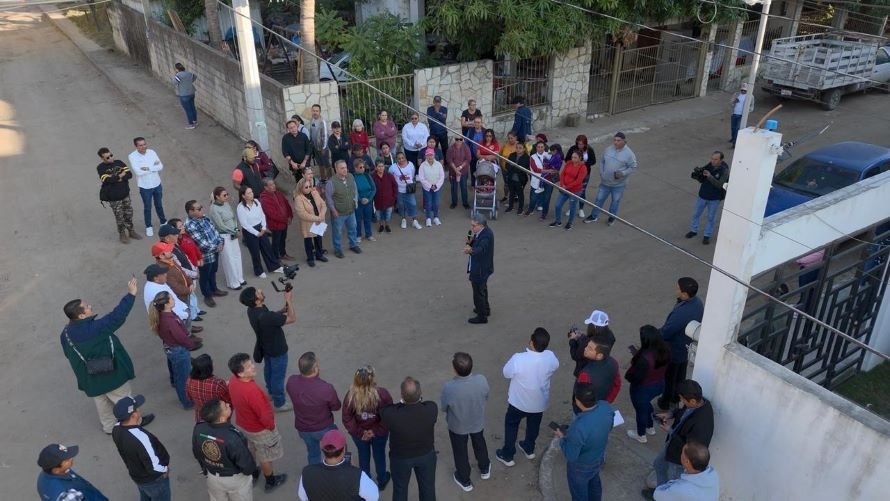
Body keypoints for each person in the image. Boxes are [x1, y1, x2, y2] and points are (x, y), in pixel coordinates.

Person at [61, 278, 155, 434]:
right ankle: (134, 422)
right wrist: (131, 295)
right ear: (81, 316)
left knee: (102, 403)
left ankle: (109, 427)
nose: (90, 306)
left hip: (89, 377)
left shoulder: (65, 334)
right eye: (86, 307)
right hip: (111, 375)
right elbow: (117, 316)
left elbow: (67, 354)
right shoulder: (96, 328)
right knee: (123, 399)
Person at [496, 328, 559, 467]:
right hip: (538, 402)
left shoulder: (518, 358)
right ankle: (529, 448)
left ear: (531, 342)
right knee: (533, 426)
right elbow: (555, 366)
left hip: (518, 402)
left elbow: (506, 373)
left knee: (511, 425)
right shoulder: (550, 357)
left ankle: (508, 454)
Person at [226, 353, 288, 493]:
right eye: (248, 366)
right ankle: (270, 481)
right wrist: (271, 427)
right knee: (265, 456)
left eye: (251, 363)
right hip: (259, 429)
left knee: (251, 450)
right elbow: (264, 415)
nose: (253, 367)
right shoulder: (252, 391)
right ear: (240, 373)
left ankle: (254, 473)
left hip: (244, 424)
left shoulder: (233, 381)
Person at [380, 377, 438, 501]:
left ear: (402, 395)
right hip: (426, 455)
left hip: (400, 458)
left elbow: (384, 409)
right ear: (420, 394)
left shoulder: (391, 415)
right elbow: (427, 403)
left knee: (400, 490)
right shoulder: (431, 409)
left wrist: (402, 402)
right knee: (428, 489)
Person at [239, 286, 295, 412]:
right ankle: (279, 402)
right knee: (278, 377)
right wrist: (289, 300)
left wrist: (281, 311)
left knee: (269, 370)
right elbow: (292, 318)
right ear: (257, 300)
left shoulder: (252, 310)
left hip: (265, 347)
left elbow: (270, 316)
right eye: (257, 292)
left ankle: (271, 392)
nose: (260, 290)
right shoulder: (266, 316)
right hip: (277, 349)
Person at [441, 352, 491, 493]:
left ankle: (464, 479)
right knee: (479, 442)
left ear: (455, 369)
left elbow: (444, 407)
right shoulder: (481, 380)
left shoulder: (449, 387)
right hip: (477, 421)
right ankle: (484, 468)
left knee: (460, 451)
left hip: (458, 426)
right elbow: (486, 395)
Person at [555, 383, 614, 501]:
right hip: (598, 457)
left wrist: (561, 438)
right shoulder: (605, 407)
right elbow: (610, 426)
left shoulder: (578, 427)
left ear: (578, 402)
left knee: (579, 494)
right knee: (594, 484)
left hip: (581, 465)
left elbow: (571, 455)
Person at [650, 380, 714, 489]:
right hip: (671, 446)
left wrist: (670, 430)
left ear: (692, 401)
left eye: (682, 399)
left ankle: (665, 494)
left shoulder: (701, 424)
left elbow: (691, 447)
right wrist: (670, 414)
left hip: (681, 457)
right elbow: (682, 411)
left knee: (674, 482)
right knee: (658, 464)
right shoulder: (698, 402)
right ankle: (660, 491)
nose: (681, 401)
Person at [192, 399, 258, 501]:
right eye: (226, 406)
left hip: (212, 476)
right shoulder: (232, 437)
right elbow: (245, 463)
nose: (228, 404)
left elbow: (197, 453)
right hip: (235, 479)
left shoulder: (199, 428)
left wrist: (206, 468)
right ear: (222, 418)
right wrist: (250, 471)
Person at [342, 366, 393, 490]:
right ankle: (382, 479)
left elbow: (347, 418)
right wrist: (375, 431)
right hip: (379, 433)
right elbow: (389, 415)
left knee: (363, 455)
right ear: (372, 379)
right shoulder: (382, 394)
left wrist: (361, 433)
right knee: (379, 454)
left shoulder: (350, 396)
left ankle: (366, 483)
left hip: (359, 435)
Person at [657, 277, 705, 410]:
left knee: (670, 378)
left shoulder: (683, 312)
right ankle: (676, 397)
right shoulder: (697, 303)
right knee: (680, 374)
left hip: (675, 348)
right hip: (685, 346)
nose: (676, 289)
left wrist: (655, 335)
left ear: (684, 294)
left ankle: (665, 401)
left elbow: (667, 331)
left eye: (678, 288)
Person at [111, 395, 171, 500]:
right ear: (134, 415)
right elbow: (154, 466)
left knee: (145, 496)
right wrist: (164, 469)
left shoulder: (116, 429)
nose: (139, 410)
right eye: (137, 408)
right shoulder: (142, 438)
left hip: (137, 475)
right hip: (154, 480)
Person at [286, 352, 342, 465]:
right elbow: (336, 406)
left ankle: (314, 472)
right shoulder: (326, 388)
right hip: (324, 427)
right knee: (336, 450)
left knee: (313, 453)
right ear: (315, 369)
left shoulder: (291, 381)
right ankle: (336, 470)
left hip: (303, 428)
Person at [298, 429, 380, 501]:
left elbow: (303, 497)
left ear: (321, 447)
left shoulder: (307, 472)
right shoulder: (358, 475)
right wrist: (353, 470)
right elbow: (374, 496)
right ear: (344, 449)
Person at [148, 291, 198, 409]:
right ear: (166, 304)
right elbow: (180, 337)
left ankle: (174, 382)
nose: (174, 300)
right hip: (178, 351)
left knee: (176, 371)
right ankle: (187, 401)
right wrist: (190, 344)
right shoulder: (170, 321)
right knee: (183, 378)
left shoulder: (162, 315)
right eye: (171, 298)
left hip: (170, 347)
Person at [625, 325, 670, 443]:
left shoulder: (644, 358)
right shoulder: (665, 349)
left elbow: (634, 377)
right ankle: (650, 426)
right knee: (646, 406)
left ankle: (641, 435)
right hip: (659, 384)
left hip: (643, 389)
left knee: (641, 411)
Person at [584, 131, 637, 225]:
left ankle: (612, 217)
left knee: (615, 201)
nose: (615, 142)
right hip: (605, 182)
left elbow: (633, 167)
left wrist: (623, 173)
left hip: (618, 185)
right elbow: (602, 161)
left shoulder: (629, 154)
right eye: (614, 140)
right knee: (599, 199)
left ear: (624, 141)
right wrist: (602, 173)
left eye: (618, 140)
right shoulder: (608, 149)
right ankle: (594, 216)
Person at [185, 200, 228, 307]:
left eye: (201, 207)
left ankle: (214, 289)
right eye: (199, 209)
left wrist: (221, 242)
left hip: (215, 251)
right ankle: (207, 295)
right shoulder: (190, 225)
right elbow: (201, 244)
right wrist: (217, 247)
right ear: (190, 211)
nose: (202, 210)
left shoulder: (204, 218)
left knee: (213, 271)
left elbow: (214, 231)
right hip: (205, 256)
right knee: (205, 275)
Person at [236, 186, 283, 278]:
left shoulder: (257, 202)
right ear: (243, 196)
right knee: (255, 252)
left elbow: (262, 215)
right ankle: (258, 271)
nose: (252, 194)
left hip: (260, 227)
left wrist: (264, 227)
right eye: (249, 193)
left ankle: (274, 266)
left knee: (267, 248)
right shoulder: (240, 207)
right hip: (250, 231)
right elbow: (244, 224)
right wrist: (256, 233)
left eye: (251, 192)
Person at [97, 147, 141, 244]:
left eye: (111, 155)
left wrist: (115, 178)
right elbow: (107, 180)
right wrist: (120, 175)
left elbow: (129, 175)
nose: (111, 158)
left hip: (125, 194)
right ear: (102, 158)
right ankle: (122, 234)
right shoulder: (100, 168)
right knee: (119, 217)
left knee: (129, 214)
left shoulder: (119, 162)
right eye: (107, 157)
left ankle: (131, 231)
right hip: (114, 198)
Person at [37, 443, 108, 501]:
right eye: (66, 459)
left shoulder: (46, 475)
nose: (71, 458)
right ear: (56, 470)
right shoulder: (67, 495)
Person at [686, 151, 729, 245]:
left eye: (715, 159)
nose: (712, 161)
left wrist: (709, 176)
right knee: (696, 214)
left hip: (714, 198)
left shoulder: (724, 171)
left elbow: (719, 185)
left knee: (711, 218)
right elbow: (703, 171)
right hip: (703, 195)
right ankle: (693, 231)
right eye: (712, 159)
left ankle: (707, 236)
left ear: (721, 160)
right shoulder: (710, 165)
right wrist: (699, 172)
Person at [653, 441, 719, 501]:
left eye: (682, 453)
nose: (680, 454)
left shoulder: (680, 489)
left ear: (687, 461)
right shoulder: (714, 475)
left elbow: (657, 495)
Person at [208, 187, 246, 291]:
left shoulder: (226, 204)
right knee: (229, 259)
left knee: (237, 256)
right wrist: (234, 231)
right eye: (224, 195)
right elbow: (220, 225)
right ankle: (233, 282)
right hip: (224, 236)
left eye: (227, 194)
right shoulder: (213, 209)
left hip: (233, 234)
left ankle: (239, 278)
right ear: (217, 196)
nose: (227, 197)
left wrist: (236, 229)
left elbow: (233, 218)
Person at [573, 329, 621, 412]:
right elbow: (617, 384)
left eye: (590, 348)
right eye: (587, 345)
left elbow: (581, 395)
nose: (585, 348)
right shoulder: (614, 362)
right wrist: (607, 402)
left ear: (599, 356)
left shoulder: (585, 374)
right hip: (602, 403)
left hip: (585, 409)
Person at [128, 137, 167, 237]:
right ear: (136, 146)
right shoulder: (132, 156)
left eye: (144, 144)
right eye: (140, 145)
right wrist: (153, 167)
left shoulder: (152, 152)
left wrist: (146, 168)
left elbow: (160, 166)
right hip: (144, 186)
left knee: (159, 204)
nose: (144, 147)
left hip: (157, 183)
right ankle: (148, 226)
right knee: (147, 207)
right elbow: (138, 172)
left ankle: (163, 221)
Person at [326, 159, 362, 258]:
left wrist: (355, 201)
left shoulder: (350, 176)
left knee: (353, 229)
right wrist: (333, 210)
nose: (345, 170)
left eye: (345, 167)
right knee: (337, 232)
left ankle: (353, 245)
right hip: (339, 213)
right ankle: (337, 249)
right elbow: (328, 198)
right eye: (342, 168)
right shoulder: (331, 182)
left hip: (351, 210)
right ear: (336, 169)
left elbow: (355, 189)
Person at [464, 213, 494, 324]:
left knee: (478, 293)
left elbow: (481, 249)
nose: (471, 228)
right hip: (483, 268)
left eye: (474, 225)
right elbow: (477, 242)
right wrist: (470, 242)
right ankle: (485, 309)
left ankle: (482, 317)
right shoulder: (484, 232)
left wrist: (470, 250)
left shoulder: (486, 236)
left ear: (481, 225)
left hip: (480, 269)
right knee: (483, 289)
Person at [293, 177, 329, 267]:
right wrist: (317, 219)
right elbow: (302, 214)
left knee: (319, 239)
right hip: (308, 223)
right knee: (308, 241)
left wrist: (322, 215)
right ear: (301, 187)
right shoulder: (298, 198)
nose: (309, 188)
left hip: (319, 220)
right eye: (306, 187)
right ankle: (310, 258)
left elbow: (323, 205)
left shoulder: (315, 193)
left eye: (309, 186)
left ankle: (319, 255)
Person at [185, 354, 230, 422]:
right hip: (218, 416)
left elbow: (189, 397)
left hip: (201, 415)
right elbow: (227, 400)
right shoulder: (218, 384)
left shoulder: (189, 381)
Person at [549, 150, 586, 230]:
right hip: (564, 188)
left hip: (574, 191)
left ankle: (570, 223)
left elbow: (579, 181)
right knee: (558, 205)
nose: (573, 159)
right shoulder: (569, 163)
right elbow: (562, 174)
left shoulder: (583, 167)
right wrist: (562, 184)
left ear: (580, 158)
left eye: (575, 158)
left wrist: (567, 187)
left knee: (572, 207)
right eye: (572, 157)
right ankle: (558, 221)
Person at [259, 178, 294, 261]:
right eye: (271, 185)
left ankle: (283, 254)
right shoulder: (264, 199)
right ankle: (275, 258)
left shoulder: (278, 194)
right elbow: (272, 214)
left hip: (284, 222)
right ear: (266, 187)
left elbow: (287, 204)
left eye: (273, 184)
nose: (274, 186)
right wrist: (285, 220)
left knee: (283, 239)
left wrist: (289, 216)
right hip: (275, 224)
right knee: (276, 242)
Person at [566, 135, 596, 219]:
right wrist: (573, 162)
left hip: (585, 174)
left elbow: (593, 161)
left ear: (585, 144)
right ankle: (571, 208)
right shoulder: (573, 149)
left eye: (582, 144)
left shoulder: (589, 150)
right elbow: (566, 159)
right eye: (578, 144)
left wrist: (585, 163)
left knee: (582, 191)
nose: (580, 146)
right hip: (573, 174)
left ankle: (581, 209)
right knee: (572, 191)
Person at [390, 153, 422, 230]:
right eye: (399, 158)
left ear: (405, 158)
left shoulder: (410, 165)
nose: (401, 160)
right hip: (399, 190)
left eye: (402, 158)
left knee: (413, 204)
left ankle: (414, 220)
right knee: (401, 205)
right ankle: (403, 219)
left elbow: (412, 174)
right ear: (396, 159)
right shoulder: (393, 167)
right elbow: (391, 177)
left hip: (409, 189)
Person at [351, 159, 377, 242]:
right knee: (358, 220)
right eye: (360, 167)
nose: (362, 169)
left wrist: (369, 199)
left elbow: (373, 188)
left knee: (368, 219)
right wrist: (360, 199)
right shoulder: (352, 178)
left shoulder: (367, 176)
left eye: (363, 167)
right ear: (355, 168)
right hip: (358, 203)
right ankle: (358, 235)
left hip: (368, 202)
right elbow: (352, 191)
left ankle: (369, 235)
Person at [418, 147, 445, 227]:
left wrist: (436, 186)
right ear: (425, 156)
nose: (430, 157)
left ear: (434, 155)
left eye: (431, 155)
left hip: (437, 188)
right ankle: (428, 218)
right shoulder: (422, 165)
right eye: (428, 155)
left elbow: (442, 176)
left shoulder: (438, 164)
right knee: (428, 203)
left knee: (436, 203)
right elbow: (421, 178)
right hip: (427, 188)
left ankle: (436, 217)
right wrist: (430, 186)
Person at [371, 159, 398, 233]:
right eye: (379, 166)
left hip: (389, 200)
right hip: (377, 201)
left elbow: (395, 186)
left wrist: (394, 197)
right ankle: (381, 225)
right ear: (376, 167)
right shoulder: (372, 177)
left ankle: (387, 225)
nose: (381, 168)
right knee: (379, 215)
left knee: (388, 215)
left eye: (382, 166)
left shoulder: (389, 176)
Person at [524, 140, 549, 216]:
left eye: (542, 147)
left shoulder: (548, 155)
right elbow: (535, 169)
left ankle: (540, 206)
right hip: (536, 180)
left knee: (544, 195)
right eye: (538, 147)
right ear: (536, 148)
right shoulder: (533, 157)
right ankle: (530, 209)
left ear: (544, 147)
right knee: (533, 197)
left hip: (546, 179)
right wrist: (547, 171)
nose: (540, 148)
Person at [446, 135, 471, 209]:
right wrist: (455, 170)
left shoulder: (466, 147)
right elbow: (449, 160)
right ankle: (454, 202)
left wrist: (460, 167)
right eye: (457, 139)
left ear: (463, 140)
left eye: (460, 139)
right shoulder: (451, 148)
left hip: (463, 171)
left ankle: (465, 203)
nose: (459, 141)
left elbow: (468, 159)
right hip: (453, 171)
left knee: (464, 187)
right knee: (454, 188)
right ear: (455, 139)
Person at [539, 144, 563, 220]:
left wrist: (545, 162)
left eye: (551, 151)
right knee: (546, 196)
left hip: (549, 179)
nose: (550, 152)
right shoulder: (556, 156)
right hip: (548, 178)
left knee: (546, 197)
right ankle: (544, 212)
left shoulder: (557, 158)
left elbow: (554, 169)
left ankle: (544, 213)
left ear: (555, 150)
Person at [505, 141, 530, 214]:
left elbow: (524, 168)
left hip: (520, 178)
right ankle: (510, 206)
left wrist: (513, 166)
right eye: (517, 148)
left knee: (520, 194)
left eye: (520, 148)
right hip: (511, 177)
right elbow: (507, 165)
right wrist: (514, 167)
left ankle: (520, 208)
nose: (518, 149)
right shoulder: (512, 155)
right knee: (511, 193)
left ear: (524, 149)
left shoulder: (527, 157)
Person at [172, 62, 198, 129]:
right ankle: (195, 121)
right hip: (192, 93)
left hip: (184, 94)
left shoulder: (178, 75)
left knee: (188, 110)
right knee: (192, 107)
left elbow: (174, 82)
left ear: (177, 69)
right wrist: (189, 82)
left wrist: (175, 75)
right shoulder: (188, 73)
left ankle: (191, 124)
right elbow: (195, 76)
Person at [729, 82, 755, 148]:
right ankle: (733, 138)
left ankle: (734, 142)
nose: (743, 91)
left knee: (737, 128)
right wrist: (734, 101)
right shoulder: (736, 94)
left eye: (745, 90)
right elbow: (731, 103)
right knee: (733, 127)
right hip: (734, 114)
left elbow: (752, 107)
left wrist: (747, 111)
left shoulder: (751, 96)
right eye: (742, 90)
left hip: (741, 115)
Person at [309, 104, 330, 179]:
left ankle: (330, 179)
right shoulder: (312, 120)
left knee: (326, 164)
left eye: (317, 111)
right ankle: (323, 179)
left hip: (323, 148)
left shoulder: (322, 121)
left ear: (320, 112)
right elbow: (311, 132)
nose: (315, 112)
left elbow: (325, 136)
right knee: (320, 164)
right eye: (313, 111)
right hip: (315, 147)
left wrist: (323, 148)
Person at [499, 131, 521, 204]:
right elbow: (500, 155)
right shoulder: (505, 145)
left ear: (515, 138)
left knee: (515, 182)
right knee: (506, 183)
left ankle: (516, 196)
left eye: (511, 138)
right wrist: (501, 165)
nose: (510, 140)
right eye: (509, 138)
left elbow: (523, 156)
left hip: (515, 169)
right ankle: (506, 196)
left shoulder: (519, 145)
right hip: (505, 168)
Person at [464, 117, 485, 185]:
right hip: (472, 154)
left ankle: (482, 184)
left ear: (481, 123)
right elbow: (466, 142)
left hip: (482, 155)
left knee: (482, 170)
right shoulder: (470, 131)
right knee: (473, 170)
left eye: (478, 122)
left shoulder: (484, 131)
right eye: (475, 122)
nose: (477, 124)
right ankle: (473, 184)